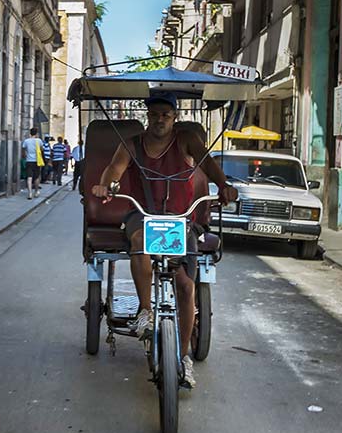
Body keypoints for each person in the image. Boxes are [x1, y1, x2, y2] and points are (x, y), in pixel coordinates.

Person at [91, 92, 236, 388]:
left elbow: (208, 165)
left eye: (165, 115)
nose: (159, 120)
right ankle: (145, 310)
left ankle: (182, 358)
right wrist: (105, 185)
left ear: (174, 118)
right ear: (148, 116)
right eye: (154, 114)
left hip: (183, 219)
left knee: (185, 286)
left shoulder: (186, 141)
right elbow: (114, 169)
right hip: (142, 214)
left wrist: (223, 185)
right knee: (140, 241)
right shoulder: (132, 144)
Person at [22, 127, 44, 199]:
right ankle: (36, 191)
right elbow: (41, 149)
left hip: (29, 161)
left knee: (29, 177)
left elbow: (23, 150)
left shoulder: (26, 141)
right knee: (36, 177)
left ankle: (30, 193)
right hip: (37, 161)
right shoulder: (39, 141)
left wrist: (25, 156)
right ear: (37, 133)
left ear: (30, 133)